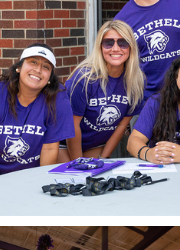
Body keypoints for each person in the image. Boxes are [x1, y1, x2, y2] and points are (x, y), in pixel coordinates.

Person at [61, 20, 144, 161]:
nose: (116, 48)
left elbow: (122, 125)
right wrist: (78, 162)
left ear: (131, 47)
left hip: (95, 145)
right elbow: (73, 125)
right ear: (100, 47)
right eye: (108, 43)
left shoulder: (135, 82)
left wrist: (105, 157)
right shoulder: (84, 79)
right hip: (64, 144)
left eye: (123, 43)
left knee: (99, 176)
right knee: (74, 179)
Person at [0, 44, 74, 174]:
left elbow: (50, 149)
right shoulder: (1, 92)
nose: (38, 70)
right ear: (19, 67)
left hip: (30, 175)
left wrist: (39, 182)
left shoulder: (58, 98)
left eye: (46, 67)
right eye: (33, 62)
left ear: (50, 77)